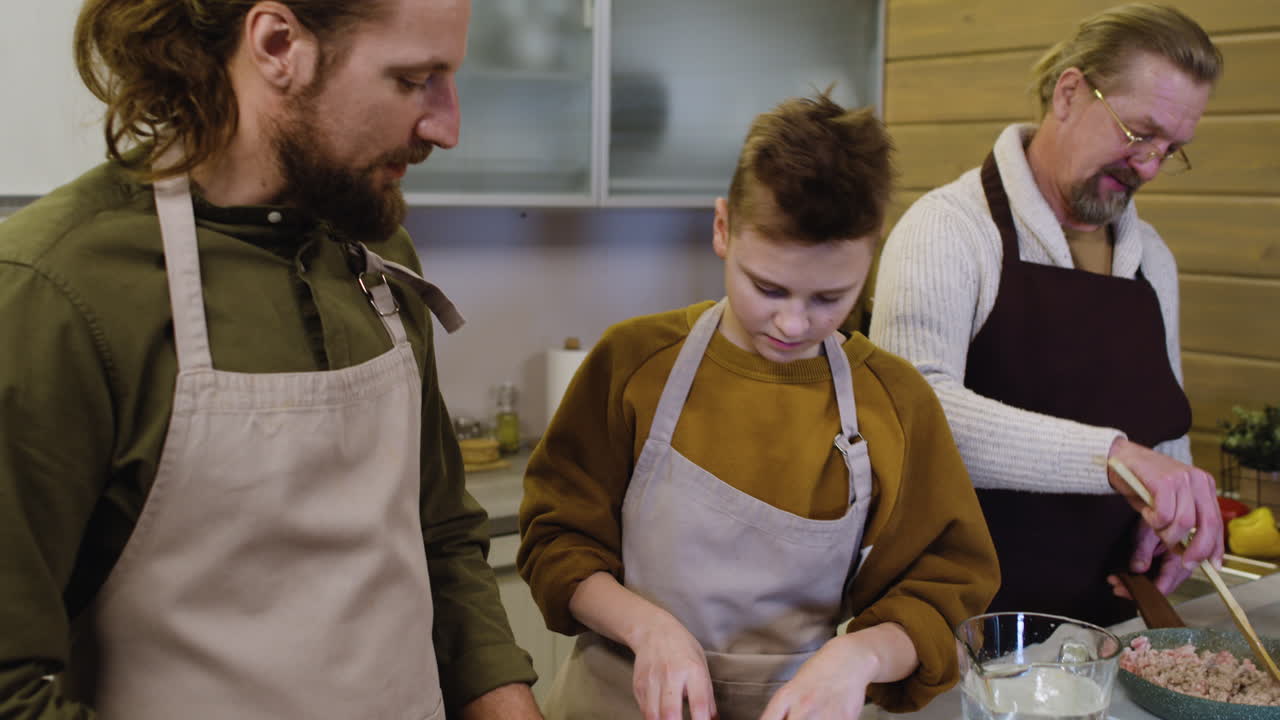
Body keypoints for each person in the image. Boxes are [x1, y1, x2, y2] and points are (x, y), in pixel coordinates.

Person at [0, 1, 543, 718]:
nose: (447, 126)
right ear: (279, 44)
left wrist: (507, 703)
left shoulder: (376, 257)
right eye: (414, 80)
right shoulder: (55, 294)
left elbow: (440, 537)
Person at [517, 92, 1000, 720]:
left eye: (830, 297)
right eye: (767, 287)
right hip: (614, 698)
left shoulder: (895, 403)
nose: (793, 323)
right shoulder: (633, 362)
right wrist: (647, 629)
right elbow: (556, 538)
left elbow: (946, 593)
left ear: (872, 253)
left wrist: (859, 656)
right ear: (722, 228)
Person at [869, 3, 1225, 627]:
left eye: (1171, 149)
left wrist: (1178, 516)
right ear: (1069, 93)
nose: (1149, 166)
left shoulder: (1152, 260)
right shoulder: (947, 230)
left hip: (1110, 625)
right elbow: (912, 414)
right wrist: (1112, 458)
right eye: (1139, 133)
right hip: (964, 623)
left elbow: (1165, 426)